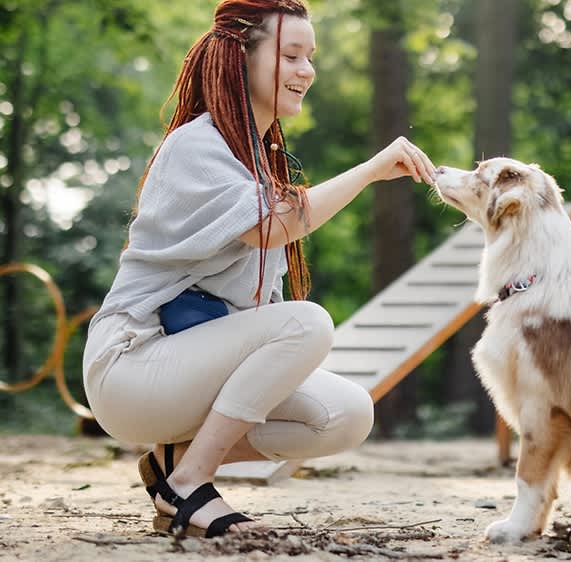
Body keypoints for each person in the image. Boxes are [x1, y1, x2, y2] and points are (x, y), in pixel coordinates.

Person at [82, 0, 436, 539]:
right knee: (308, 322)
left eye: (310, 57)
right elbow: (277, 225)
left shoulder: (256, 160)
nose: (307, 71)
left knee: (346, 413)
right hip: (132, 365)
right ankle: (190, 483)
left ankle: (173, 463)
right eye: (291, 55)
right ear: (240, 59)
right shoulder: (197, 144)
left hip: (187, 368)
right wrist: (369, 170)